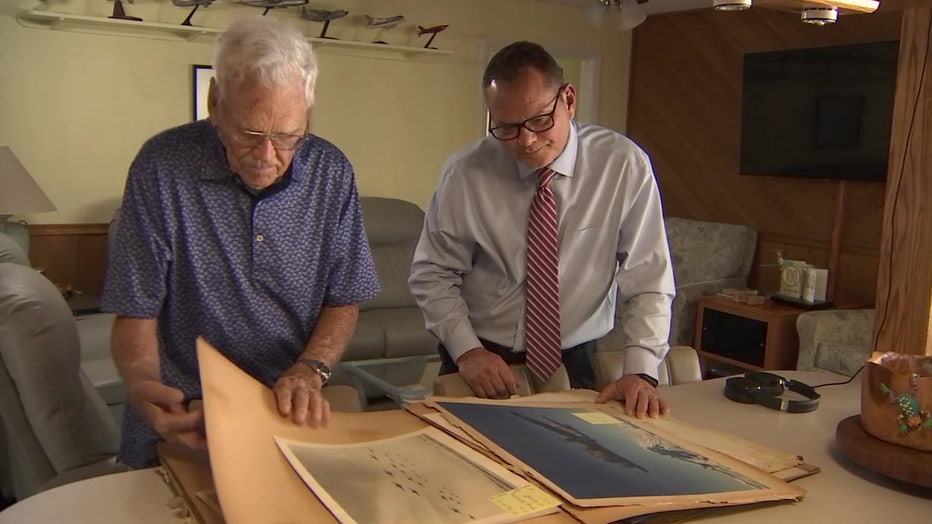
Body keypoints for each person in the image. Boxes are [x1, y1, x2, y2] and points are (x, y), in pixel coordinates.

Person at [100, 16, 379, 469]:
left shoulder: (331, 172)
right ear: (215, 102)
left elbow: (344, 297)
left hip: (284, 405)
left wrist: (312, 369)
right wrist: (143, 385)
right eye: (250, 134)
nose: (268, 156)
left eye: (288, 136)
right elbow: (135, 307)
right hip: (189, 412)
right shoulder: (161, 166)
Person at [409, 41, 675, 418]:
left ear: (568, 99)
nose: (525, 140)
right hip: (480, 357)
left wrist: (642, 371)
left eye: (538, 120)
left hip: (577, 356)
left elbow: (649, 278)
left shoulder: (622, 166)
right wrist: (467, 350)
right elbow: (433, 272)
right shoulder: (466, 173)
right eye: (506, 127)